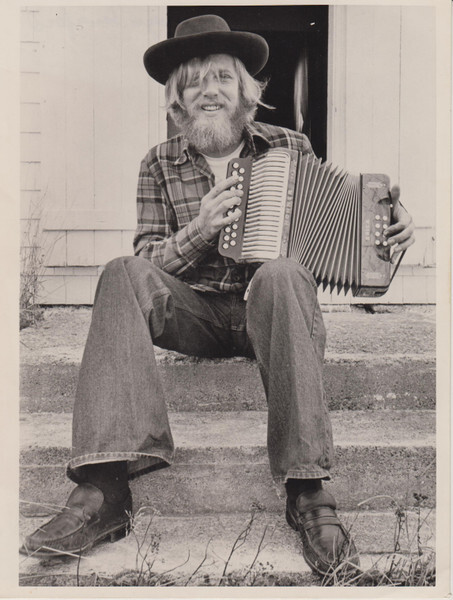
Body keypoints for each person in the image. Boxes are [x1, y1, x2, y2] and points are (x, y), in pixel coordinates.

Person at [21, 14, 415, 577]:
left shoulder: (290, 146)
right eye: (194, 81)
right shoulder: (158, 162)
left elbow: (334, 226)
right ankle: (104, 490)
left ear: (246, 90)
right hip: (198, 315)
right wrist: (201, 230)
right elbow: (148, 259)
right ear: (177, 99)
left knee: (281, 273)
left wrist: (386, 230)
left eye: (223, 77)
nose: (209, 90)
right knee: (119, 272)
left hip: (271, 315)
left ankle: (308, 491)